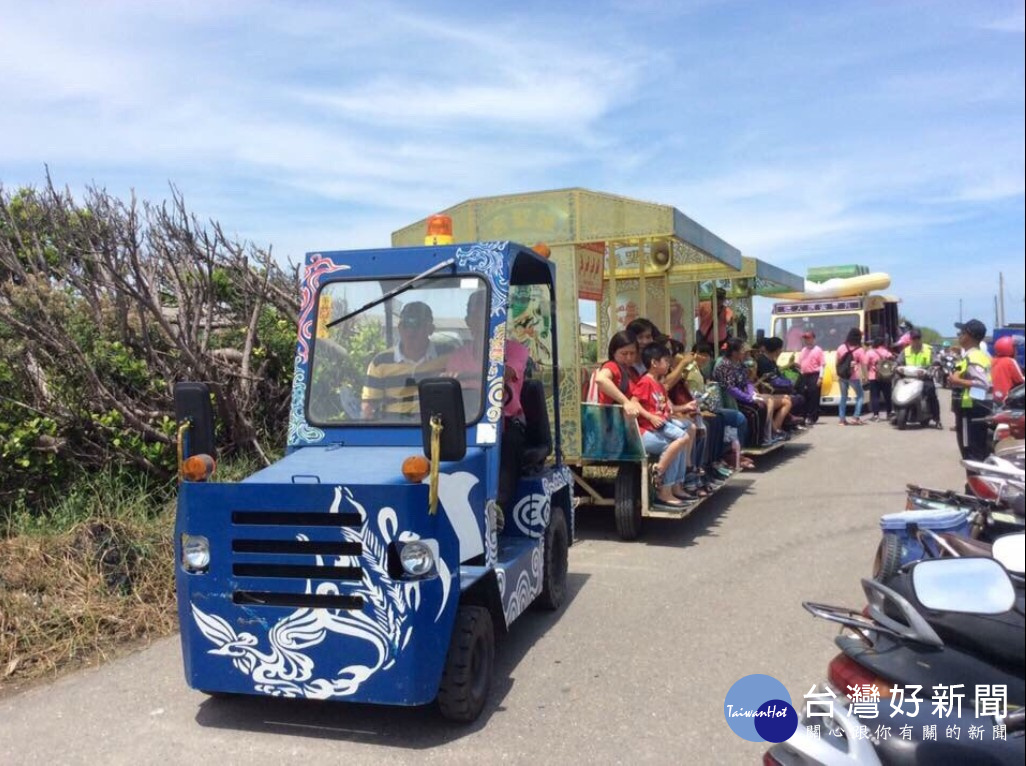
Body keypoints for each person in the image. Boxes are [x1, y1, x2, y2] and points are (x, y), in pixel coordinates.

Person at [631, 344, 695, 507]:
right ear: (654, 363)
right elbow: (634, 403)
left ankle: (676, 486)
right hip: (647, 430)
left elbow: (666, 408)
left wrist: (686, 408)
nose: (668, 365)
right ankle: (661, 479)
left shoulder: (659, 385)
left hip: (660, 425)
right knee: (680, 440)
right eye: (666, 361)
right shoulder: (645, 382)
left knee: (685, 435)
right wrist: (650, 416)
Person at [361, 301, 448, 419]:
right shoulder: (380, 362)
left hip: (435, 431)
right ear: (399, 328)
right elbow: (369, 407)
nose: (410, 331)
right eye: (405, 325)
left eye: (418, 325)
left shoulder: (449, 358)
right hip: (392, 432)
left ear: (430, 329)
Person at [714, 338, 778, 447]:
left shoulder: (740, 364)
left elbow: (747, 382)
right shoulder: (723, 365)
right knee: (754, 412)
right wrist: (749, 399)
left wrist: (752, 394)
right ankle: (750, 444)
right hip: (730, 401)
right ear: (734, 352)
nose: (744, 352)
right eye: (742, 350)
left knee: (762, 406)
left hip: (742, 396)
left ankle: (761, 439)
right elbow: (731, 389)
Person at [948, 319, 992, 461]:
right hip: (970, 409)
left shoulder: (974, 356)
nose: (959, 335)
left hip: (972, 410)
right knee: (971, 452)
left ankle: (974, 482)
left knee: (972, 454)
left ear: (970, 336)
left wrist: (957, 381)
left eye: (962, 332)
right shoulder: (969, 355)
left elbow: (983, 383)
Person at [895, 328, 941, 428]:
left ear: (921, 339)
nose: (916, 341)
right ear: (910, 339)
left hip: (924, 377)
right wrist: (897, 367)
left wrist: (934, 366)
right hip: (908, 377)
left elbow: (936, 361)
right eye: (914, 338)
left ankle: (937, 419)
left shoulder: (929, 349)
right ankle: (896, 413)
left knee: (931, 391)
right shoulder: (905, 351)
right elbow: (898, 362)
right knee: (895, 387)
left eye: (918, 338)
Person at [592, 331, 642, 417]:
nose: (629, 357)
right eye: (624, 354)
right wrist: (626, 402)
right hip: (612, 422)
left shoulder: (633, 372)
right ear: (613, 352)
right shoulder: (612, 366)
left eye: (632, 353)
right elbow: (601, 379)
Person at [836, 328, 867, 425]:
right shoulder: (860, 350)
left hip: (842, 376)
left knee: (843, 397)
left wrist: (840, 372)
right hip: (854, 376)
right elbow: (864, 364)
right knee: (860, 396)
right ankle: (855, 417)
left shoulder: (841, 347)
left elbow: (837, 362)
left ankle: (842, 419)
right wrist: (865, 377)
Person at [797, 331, 825, 425]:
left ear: (813, 339)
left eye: (808, 338)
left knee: (814, 396)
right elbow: (800, 363)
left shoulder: (818, 350)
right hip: (805, 375)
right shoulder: (803, 350)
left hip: (814, 374)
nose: (806, 340)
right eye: (805, 338)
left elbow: (822, 365)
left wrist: (820, 377)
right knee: (804, 395)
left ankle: (813, 416)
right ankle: (804, 416)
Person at [864, 337, 894, 422]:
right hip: (886, 376)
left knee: (875, 396)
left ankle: (876, 415)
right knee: (887, 396)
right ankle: (889, 413)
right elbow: (892, 359)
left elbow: (865, 364)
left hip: (873, 377)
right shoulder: (886, 352)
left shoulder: (870, 352)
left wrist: (865, 376)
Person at [991, 336, 1024, 404]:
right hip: (1006, 399)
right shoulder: (1010, 361)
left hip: (993, 398)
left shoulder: (992, 360)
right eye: (1014, 348)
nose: (1016, 351)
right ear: (1010, 349)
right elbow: (1021, 380)